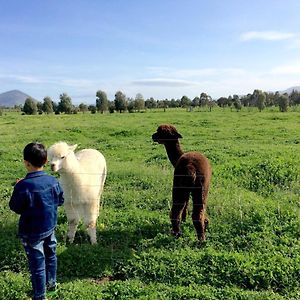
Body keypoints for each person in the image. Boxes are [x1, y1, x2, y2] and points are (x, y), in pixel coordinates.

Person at [9, 142, 64, 300]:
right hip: (50, 226)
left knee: (37, 264)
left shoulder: (23, 186)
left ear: (26, 163)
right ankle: (52, 285)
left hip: (31, 232)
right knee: (51, 255)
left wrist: (18, 186)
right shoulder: (53, 182)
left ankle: (40, 296)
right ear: (46, 161)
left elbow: (16, 207)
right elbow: (60, 200)